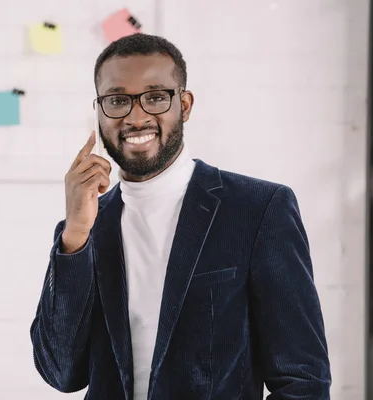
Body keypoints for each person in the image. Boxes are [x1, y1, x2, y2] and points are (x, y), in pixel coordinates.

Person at [29, 33, 331, 399]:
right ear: (100, 111)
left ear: (184, 105)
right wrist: (75, 234)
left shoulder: (258, 209)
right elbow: (61, 373)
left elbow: (303, 380)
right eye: (117, 100)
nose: (136, 117)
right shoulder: (89, 227)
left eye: (155, 97)